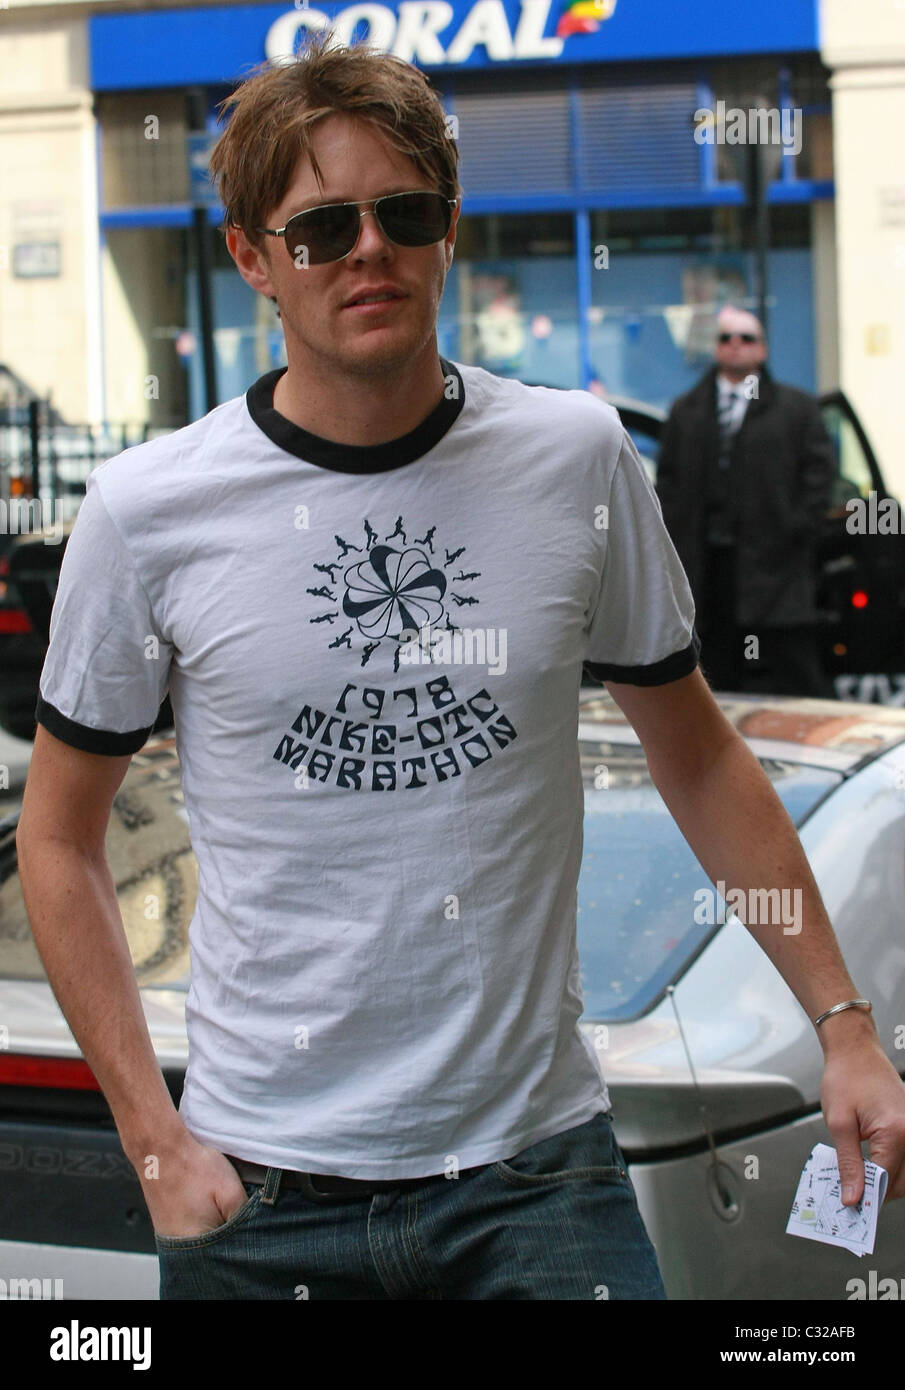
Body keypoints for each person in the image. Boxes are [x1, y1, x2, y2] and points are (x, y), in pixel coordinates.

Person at [16, 35, 905, 1302]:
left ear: (447, 233)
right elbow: (58, 839)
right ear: (253, 260)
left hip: (534, 1177)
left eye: (404, 212)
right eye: (320, 228)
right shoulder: (149, 509)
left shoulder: (575, 458)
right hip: (262, 1200)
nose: (367, 248)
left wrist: (842, 1021)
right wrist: (151, 1136)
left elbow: (698, 754)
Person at [655, 304, 835, 696]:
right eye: (725, 338)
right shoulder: (687, 411)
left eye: (746, 338)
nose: (735, 345)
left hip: (775, 569)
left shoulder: (797, 409)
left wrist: (798, 528)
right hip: (706, 569)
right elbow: (667, 482)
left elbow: (820, 478)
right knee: (715, 675)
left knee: (793, 674)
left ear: (763, 349)